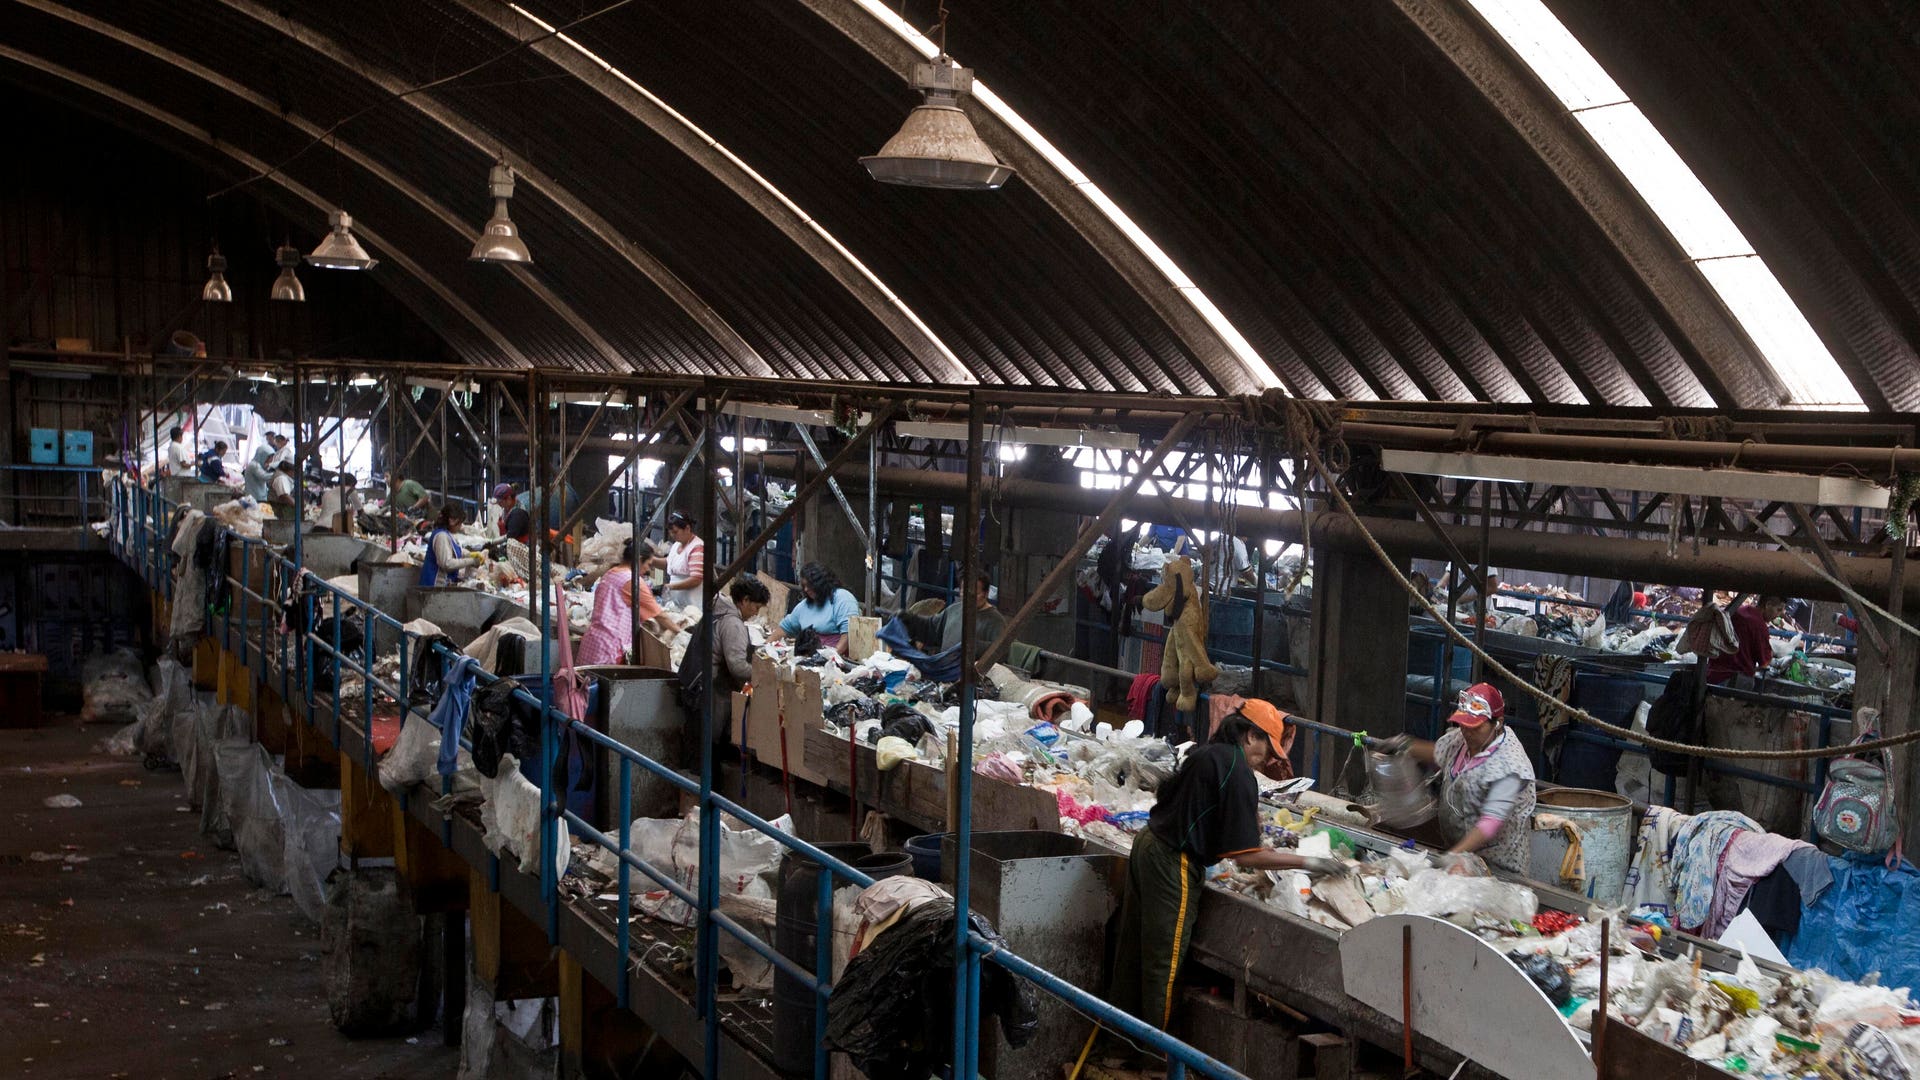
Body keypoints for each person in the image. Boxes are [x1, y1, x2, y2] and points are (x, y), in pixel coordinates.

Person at [1110, 701, 1341, 1029]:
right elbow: (1246, 855)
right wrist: (1310, 861)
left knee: (1132, 950)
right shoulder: (1237, 771)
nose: (1266, 761)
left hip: (1148, 844)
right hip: (1171, 861)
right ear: (1250, 736)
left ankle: (1119, 1039)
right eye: (1265, 750)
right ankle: (1158, 1059)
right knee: (1166, 963)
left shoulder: (1210, 753)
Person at [1378, 682, 1537, 874]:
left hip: (1497, 865)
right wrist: (1404, 745)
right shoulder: (1462, 741)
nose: (1467, 732)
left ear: (1498, 722)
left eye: (1475, 727)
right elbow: (1438, 752)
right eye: (1463, 725)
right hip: (1459, 849)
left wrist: (1451, 856)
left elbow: (1490, 823)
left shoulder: (1510, 767)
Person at [577, 539, 671, 665]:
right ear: (639, 559)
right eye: (648, 564)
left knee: (586, 683)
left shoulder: (610, 573)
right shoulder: (633, 581)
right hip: (609, 650)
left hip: (592, 642)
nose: (648, 569)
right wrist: (680, 631)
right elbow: (659, 615)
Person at [774, 562, 860, 651]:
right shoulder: (805, 605)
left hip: (838, 656)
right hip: (812, 655)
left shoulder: (843, 598)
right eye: (804, 586)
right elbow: (786, 626)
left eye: (809, 585)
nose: (806, 589)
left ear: (820, 583)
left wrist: (832, 656)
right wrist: (766, 646)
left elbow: (849, 633)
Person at [1707, 594, 1784, 685]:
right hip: (1733, 680)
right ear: (1768, 605)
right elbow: (1764, 662)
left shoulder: (1738, 611)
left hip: (1712, 673)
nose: (1780, 615)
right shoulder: (1759, 625)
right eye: (1778, 610)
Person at [938, 572, 1006, 656]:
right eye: (964, 591)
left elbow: (1001, 654)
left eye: (974, 593)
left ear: (986, 594)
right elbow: (933, 629)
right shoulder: (953, 610)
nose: (967, 597)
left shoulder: (996, 621)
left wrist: (975, 647)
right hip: (943, 664)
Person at [421, 505, 486, 588]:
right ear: (452, 521)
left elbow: (455, 549)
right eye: (460, 523)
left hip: (442, 586)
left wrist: (470, 554)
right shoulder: (441, 536)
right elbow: (447, 564)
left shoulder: (447, 534)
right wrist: (472, 561)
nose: (460, 526)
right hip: (434, 586)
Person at [653, 512, 706, 612]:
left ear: (687, 528)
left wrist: (670, 587)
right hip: (678, 604)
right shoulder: (676, 545)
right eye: (671, 532)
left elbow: (696, 579)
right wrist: (652, 561)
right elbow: (669, 563)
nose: (673, 535)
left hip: (693, 606)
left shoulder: (697, 547)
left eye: (675, 532)